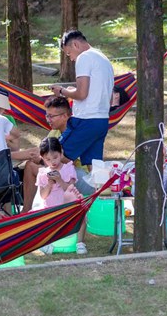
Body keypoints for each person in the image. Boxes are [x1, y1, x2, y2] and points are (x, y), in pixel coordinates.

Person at [50, 30, 114, 179]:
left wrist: (62, 91)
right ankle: (102, 199)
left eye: (69, 53)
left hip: (85, 120)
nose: (71, 59)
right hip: (102, 120)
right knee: (95, 168)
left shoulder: (84, 58)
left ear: (76, 44)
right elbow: (105, 96)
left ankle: (56, 197)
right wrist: (74, 91)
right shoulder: (104, 59)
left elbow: (81, 94)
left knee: (55, 156)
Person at [19, 95, 72, 212]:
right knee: (30, 164)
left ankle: (26, 210)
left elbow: (68, 161)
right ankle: (28, 209)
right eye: (47, 115)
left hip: (72, 172)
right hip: (55, 169)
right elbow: (38, 152)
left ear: (64, 116)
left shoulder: (73, 133)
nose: (48, 119)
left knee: (30, 166)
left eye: (51, 116)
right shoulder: (54, 132)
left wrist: (43, 160)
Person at [33, 137, 78, 212]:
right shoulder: (43, 174)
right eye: (48, 159)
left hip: (66, 209)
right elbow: (43, 196)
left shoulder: (68, 169)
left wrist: (59, 180)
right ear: (42, 158)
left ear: (61, 153)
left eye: (55, 157)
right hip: (50, 211)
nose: (52, 162)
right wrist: (49, 185)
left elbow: (71, 191)